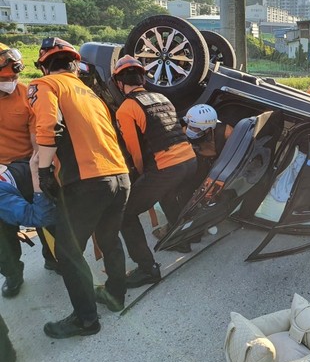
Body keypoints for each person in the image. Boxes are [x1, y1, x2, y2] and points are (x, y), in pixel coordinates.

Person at [28, 37, 131, 339]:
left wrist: (45, 170)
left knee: (68, 252)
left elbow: (48, 126)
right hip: (119, 175)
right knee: (110, 238)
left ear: (45, 65)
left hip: (87, 181)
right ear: (75, 63)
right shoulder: (91, 93)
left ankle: (86, 319)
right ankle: (115, 294)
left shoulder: (45, 85)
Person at [112, 55, 197, 288]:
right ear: (143, 78)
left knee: (124, 214)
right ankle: (181, 241)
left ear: (119, 83)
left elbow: (134, 150)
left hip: (168, 166)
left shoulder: (127, 108)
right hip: (190, 160)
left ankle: (147, 269)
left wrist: (141, 175)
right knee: (167, 193)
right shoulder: (161, 97)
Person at [0, 42, 57, 300]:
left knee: (47, 212)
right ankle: (13, 273)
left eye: (14, 76)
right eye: (5, 78)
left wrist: (38, 170)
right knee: (2, 232)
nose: (10, 81)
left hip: (25, 165)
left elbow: (37, 141)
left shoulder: (26, 95)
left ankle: (53, 257)